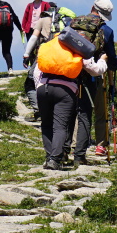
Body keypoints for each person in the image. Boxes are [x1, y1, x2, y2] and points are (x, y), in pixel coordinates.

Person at [33, 31, 107, 170]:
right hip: (65, 90)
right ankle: (55, 160)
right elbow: (95, 70)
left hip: (44, 88)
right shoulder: (77, 49)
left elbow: (37, 71)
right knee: (60, 126)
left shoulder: (49, 47)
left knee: (46, 124)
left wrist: (40, 87)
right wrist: (103, 59)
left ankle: (49, 157)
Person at [69, 0, 117, 166]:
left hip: (71, 72)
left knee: (75, 111)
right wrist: (113, 64)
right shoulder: (106, 30)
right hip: (94, 74)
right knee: (99, 111)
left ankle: (73, 145)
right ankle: (100, 146)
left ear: (92, 7)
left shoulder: (74, 24)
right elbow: (111, 57)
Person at [22, 3, 58, 120]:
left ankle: (39, 111)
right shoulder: (62, 22)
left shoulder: (42, 20)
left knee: (30, 82)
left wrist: (27, 54)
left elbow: (33, 38)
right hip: (60, 56)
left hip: (44, 54)